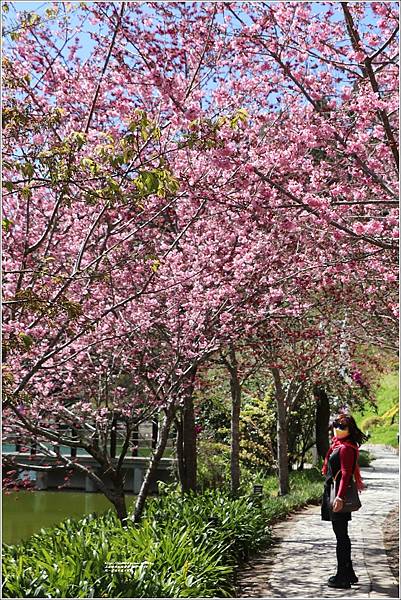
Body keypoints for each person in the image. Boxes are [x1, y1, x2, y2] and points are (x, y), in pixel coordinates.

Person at [321, 413, 367, 589]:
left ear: (350, 430)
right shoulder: (338, 445)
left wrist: (340, 496)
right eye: (336, 425)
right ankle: (349, 573)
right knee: (341, 534)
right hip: (333, 493)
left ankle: (342, 577)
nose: (337, 429)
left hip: (338, 495)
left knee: (341, 536)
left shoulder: (347, 448)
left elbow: (346, 473)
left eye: (342, 427)